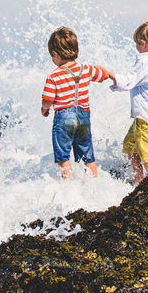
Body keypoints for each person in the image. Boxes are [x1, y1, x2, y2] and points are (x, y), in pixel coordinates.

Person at [41, 27, 114, 180]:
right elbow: (104, 75)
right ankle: (94, 184)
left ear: (56, 54)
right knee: (87, 154)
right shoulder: (86, 69)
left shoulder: (53, 76)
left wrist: (44, 109)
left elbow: (48, 99)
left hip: (64, 119)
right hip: (83, 117)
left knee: (63, 156)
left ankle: (69, 187)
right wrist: (103, 70)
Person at [109, 21, 148, 184]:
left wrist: (110, 75)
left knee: (143, 147)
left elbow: (128, 82)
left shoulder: (145, 61)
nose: (136, 47)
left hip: (146, 113)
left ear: (144, 44)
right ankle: (139, 178)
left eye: (137, 43)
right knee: (130, 144)